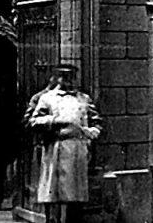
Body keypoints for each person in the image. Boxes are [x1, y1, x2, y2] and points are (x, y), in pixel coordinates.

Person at [24, 65, 102, 223]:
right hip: (56, 149)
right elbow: (33, 121)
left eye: (72, 77)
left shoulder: (83, 99)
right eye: (65, 77)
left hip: (78, 150)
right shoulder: (47, 98)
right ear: (57, 79)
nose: (70, 81)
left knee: (76, 196)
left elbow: (96, 121)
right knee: (54, 195)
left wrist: (93, 132)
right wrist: (55, 121)